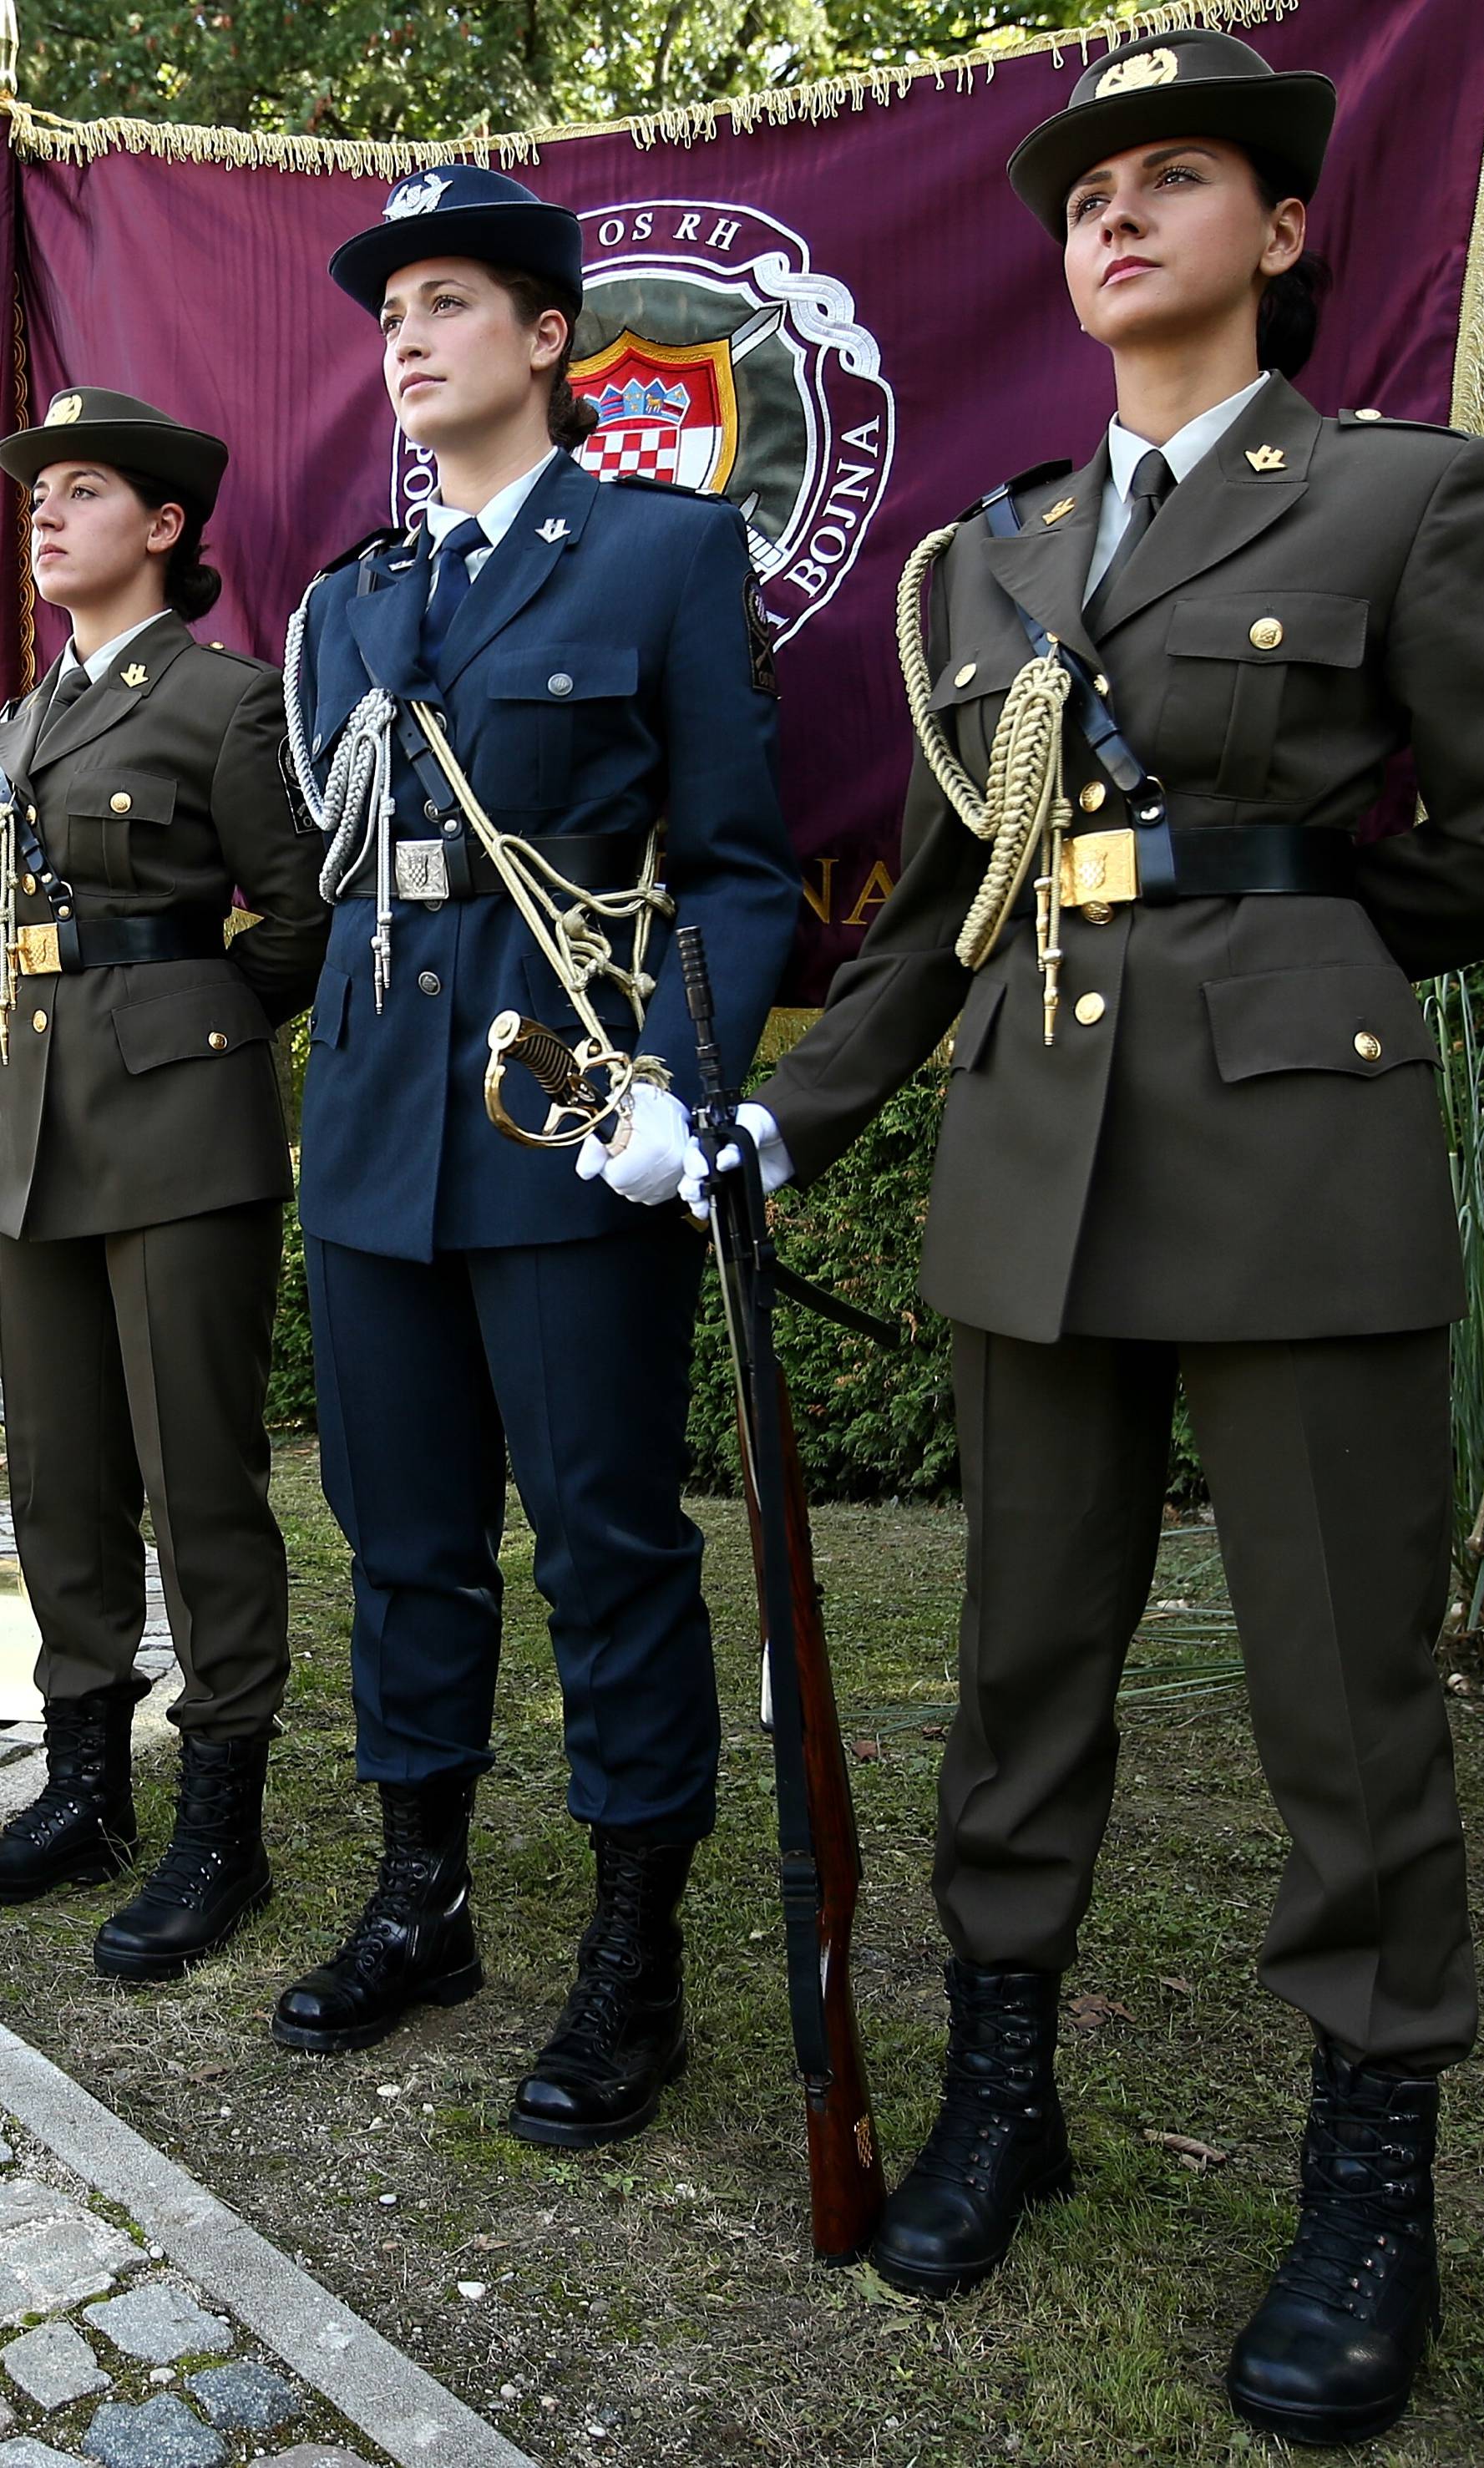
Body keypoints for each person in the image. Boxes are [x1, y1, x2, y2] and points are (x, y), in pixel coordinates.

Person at [658, 28, 1484, 2450]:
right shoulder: (992, 551)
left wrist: (1296, 946)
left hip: (1296, 1157)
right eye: (1089, 191)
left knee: (1342, 1703)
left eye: (1178, 179)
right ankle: (1005, 2086)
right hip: (1034, 1154)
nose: (1119, 217)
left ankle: (1366, 2173)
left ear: (1282, 234)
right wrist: (788, 1117)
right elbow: (954, 905)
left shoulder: (1396, 496)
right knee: (1020, 1660)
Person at [270, 167, 799, 2153]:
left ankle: (631, 1953)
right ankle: (427, 1897)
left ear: (552, 338)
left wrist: (677, 1082)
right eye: (389, 310)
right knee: (402, 1547)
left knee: (605, 1551)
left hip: (570, 1141)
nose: (406, 338)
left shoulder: (656, 555)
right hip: (376, 1140)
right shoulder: (352, 603)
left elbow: (740, 880)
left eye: (452, 302)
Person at [0, 388, 328, 1979]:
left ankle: (222, 1820)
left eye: (80, 491)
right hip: (32, 1131)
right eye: (37, 493)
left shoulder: (224, 703)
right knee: (59, 1475)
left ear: (166, 526)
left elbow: (299, 919)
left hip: (180, 1131)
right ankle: (84, 1785)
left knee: (199, 1481)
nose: (46, 514)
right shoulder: (23, 720)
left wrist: (193, 1039)